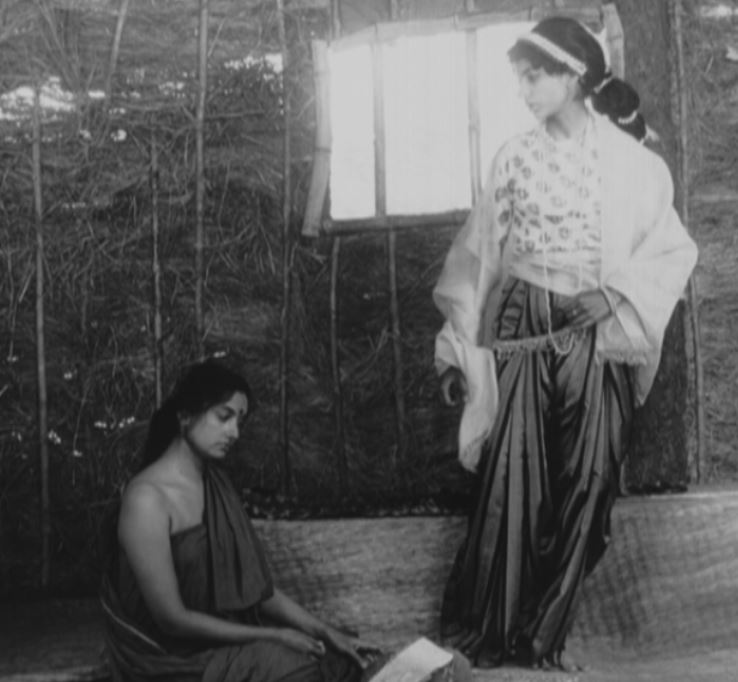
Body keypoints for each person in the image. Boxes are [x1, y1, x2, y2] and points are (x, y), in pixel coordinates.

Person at [433, 17, 698, 671]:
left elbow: (671, 247)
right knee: (513, 479)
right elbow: (478, 257)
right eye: (519, 79)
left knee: (590, 480)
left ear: (574, 77)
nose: (523, 91)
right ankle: (493, 631)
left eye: (535, 77)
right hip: (524, 325)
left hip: (596, 332)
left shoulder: (633, 163)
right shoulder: (513, 157)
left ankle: (541, 638)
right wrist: (456, 345)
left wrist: (614, 294)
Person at [100, 360, 377, 682]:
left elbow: (257, 591)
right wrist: (275, 636)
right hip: (170, 656)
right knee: (299, 668)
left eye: (239, 421)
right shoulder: (146, 499)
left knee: (340, 656)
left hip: (223, 640)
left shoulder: (216, 485)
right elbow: (171, 620)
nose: (234, 432)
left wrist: (324, 630)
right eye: (224, 417)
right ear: (185, 415)